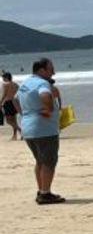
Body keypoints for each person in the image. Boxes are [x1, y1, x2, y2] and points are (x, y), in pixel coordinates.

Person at [15, 58, 63, 204]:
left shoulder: (25, 83)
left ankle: (41, 189)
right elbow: (45, 95)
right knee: (49, 162)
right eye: (51, 69)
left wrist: (25, 114)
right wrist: (49, 110)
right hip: (44, 129)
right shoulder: (42, 83)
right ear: (42, 70)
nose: (53, 72)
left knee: (40, 161)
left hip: (28, 128)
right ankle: (45, 193)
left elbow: (15, 100)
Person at [2, 71, 20, 140]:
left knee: (8, 121)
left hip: (8, 103)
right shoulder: (15, 84)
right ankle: (14, 136)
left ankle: (20, 130)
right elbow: (18, 94)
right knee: (14, 120)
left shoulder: (5, 84)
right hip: (15, 102)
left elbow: (4, 95)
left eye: (3, 77)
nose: (2, 78)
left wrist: (0, 103)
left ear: (6, 77)